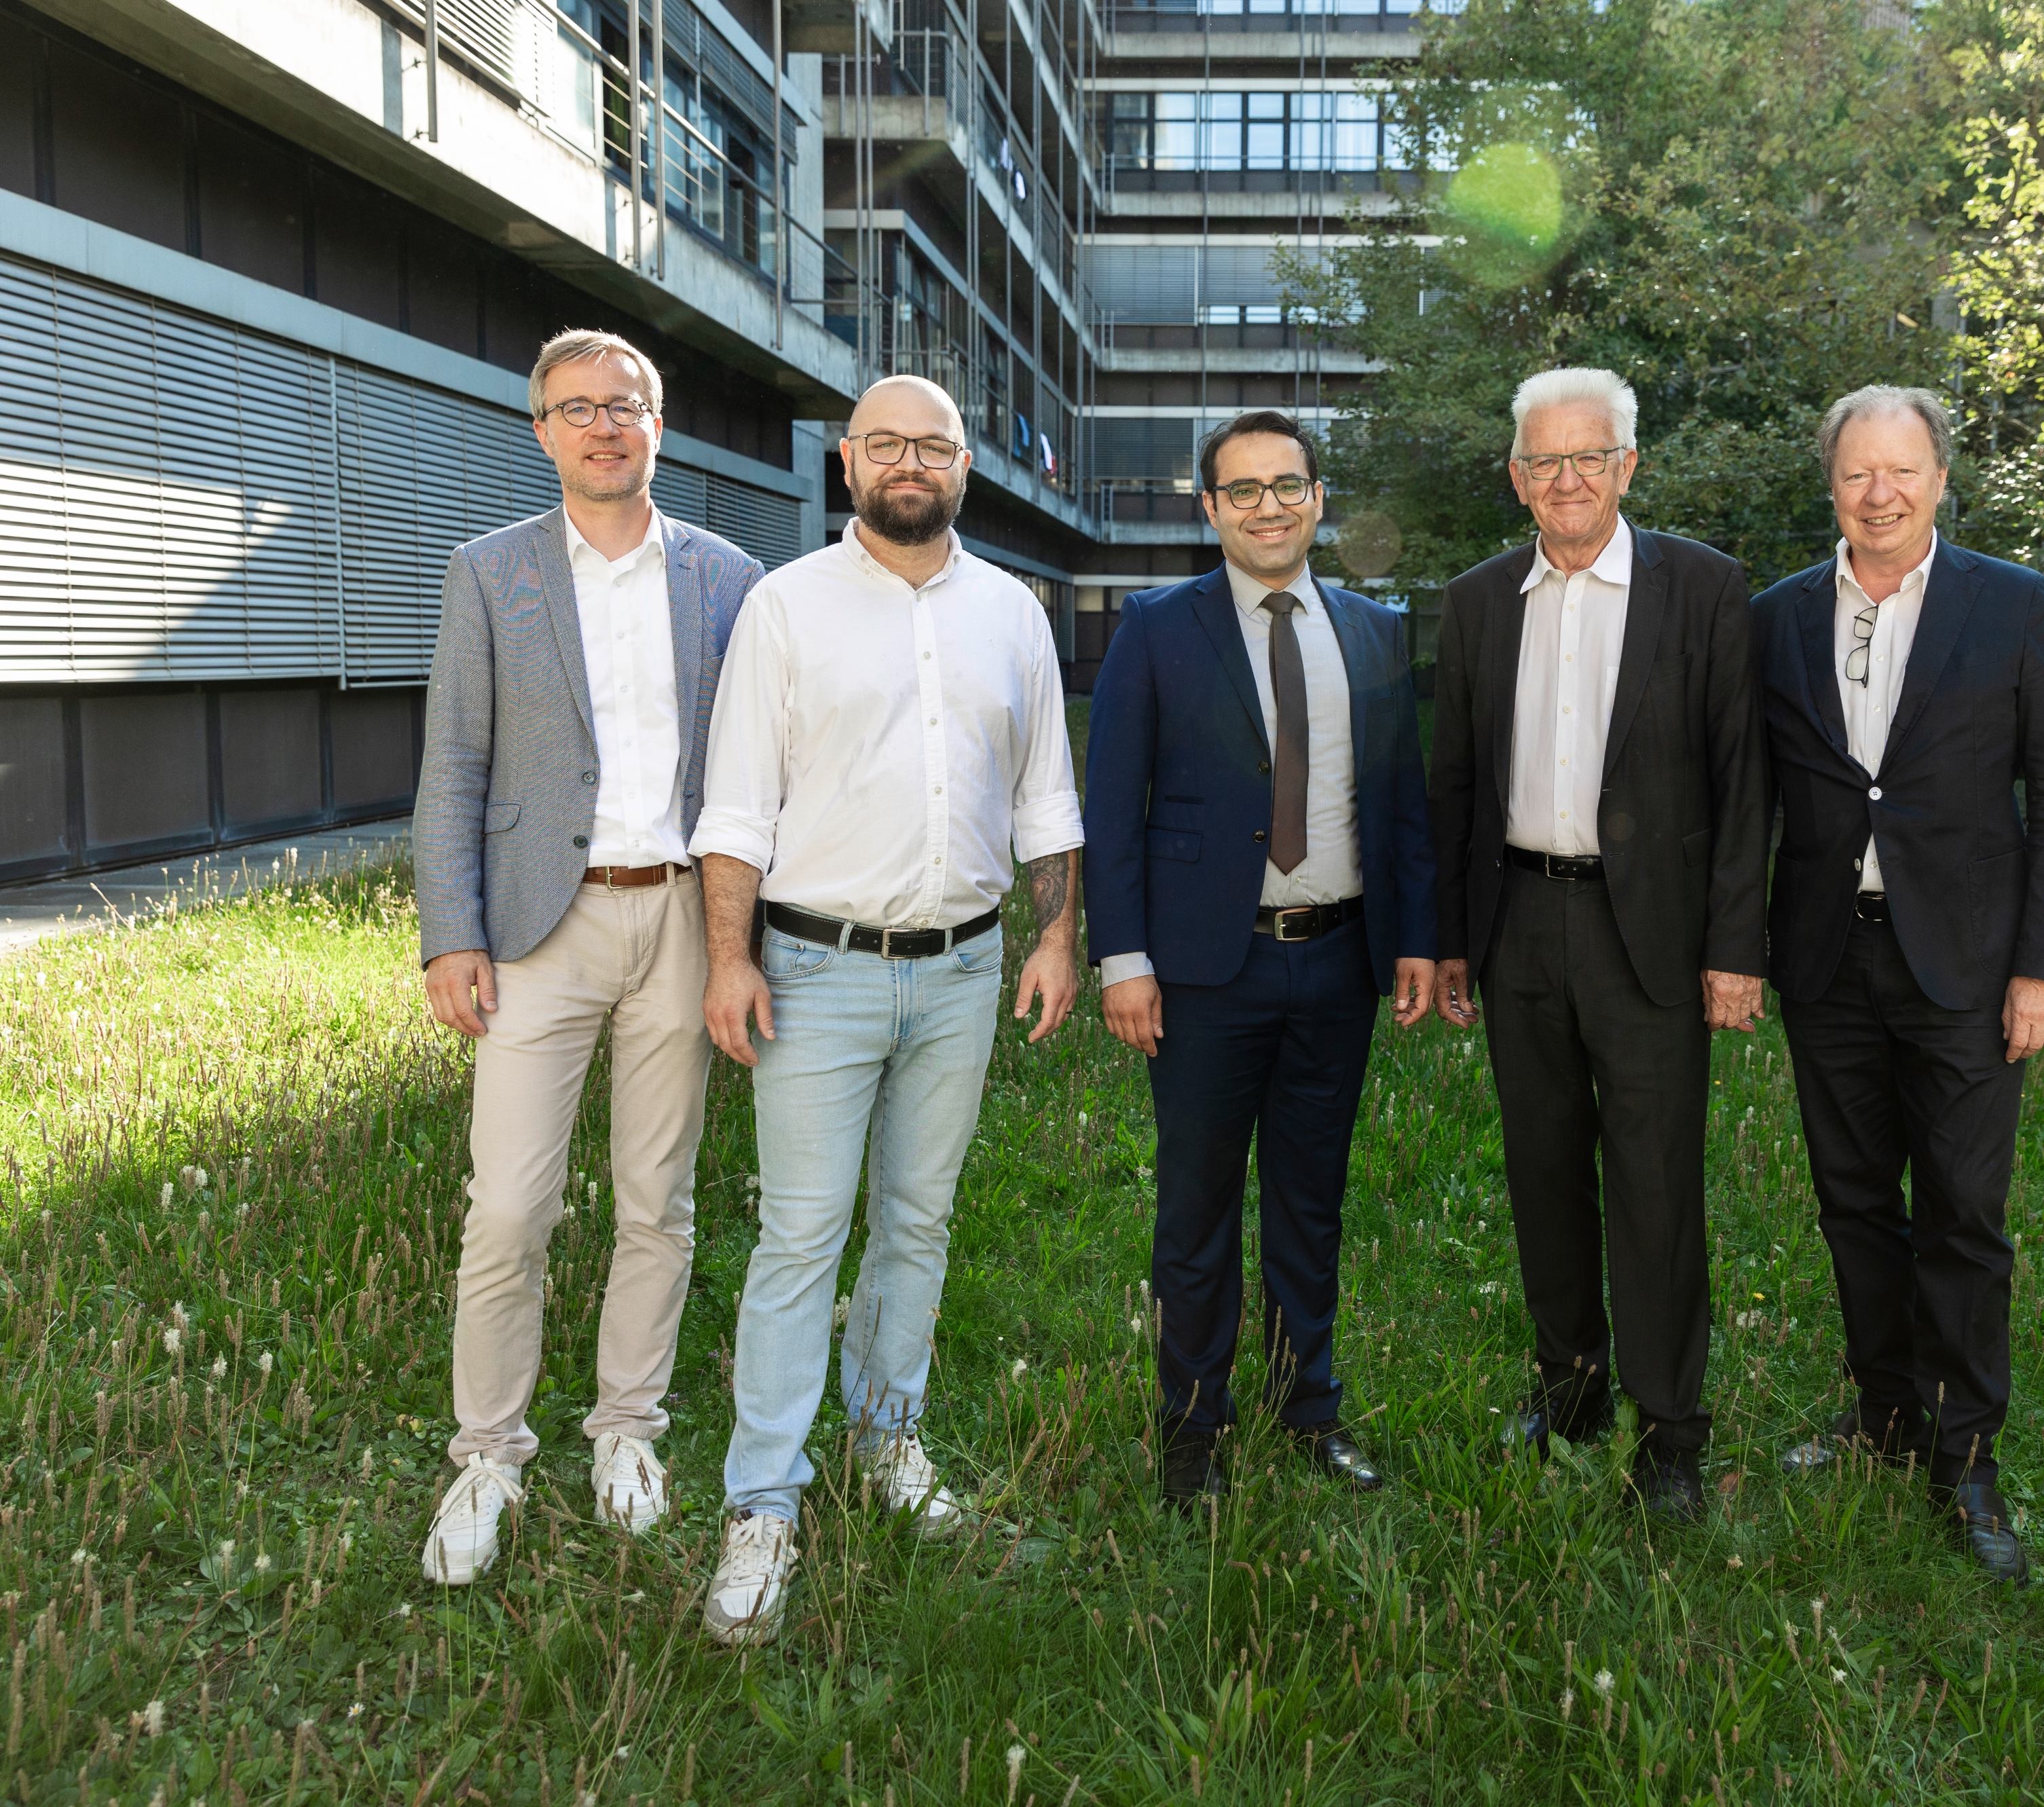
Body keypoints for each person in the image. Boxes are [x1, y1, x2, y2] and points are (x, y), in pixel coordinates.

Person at [687, 374, 1083, 1644]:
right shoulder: (784, 606)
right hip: (813, 969)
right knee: (800, 1239)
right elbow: (737, 805)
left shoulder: (1014, 612)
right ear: (848, 462)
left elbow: (1045, 797)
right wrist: (726, 958)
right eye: (888, 444)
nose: (913, 462)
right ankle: (762, 1501)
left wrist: (1058, 932)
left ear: (966, 465)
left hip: (967, 968)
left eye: (937, 445)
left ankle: (887, 1436)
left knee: (918, 1220)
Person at [412, 329, 764, 1584]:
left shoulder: (730, 578)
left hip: (682, 917)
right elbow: (453, 762)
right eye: (576, 409)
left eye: (625, 405)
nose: (603, 426)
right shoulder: (488, 571)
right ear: (542, 428)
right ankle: (489, 1452)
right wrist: (450, 931)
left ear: (658, 423)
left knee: (655, 1199)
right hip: (534, 923)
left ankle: (627, 1427)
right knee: (509, 1204)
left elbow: (758, 765)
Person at [1753, 385, 2044, 1585]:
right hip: (1824, 957)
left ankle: (1965, 1454)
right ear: (1832, 485)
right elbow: (1757, 794)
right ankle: (1884, 1416)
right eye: (1857, 474)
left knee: (1961, 1210)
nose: (1880, 494)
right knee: (1854, 1203)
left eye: (1903, 470)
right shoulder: (1780, 616)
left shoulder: (2013, 606)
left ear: (1942, 479)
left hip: (1967, 962)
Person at [1429, 367, 1768, 1522]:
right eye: (1544, 461)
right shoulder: (1478, 601)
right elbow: (1454, 787)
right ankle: (1568, 1382)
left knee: (1658, 1182)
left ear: (1629, 466)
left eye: (1590, 458)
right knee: (1542, 1168)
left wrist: (1736, 946)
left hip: (1657, 937)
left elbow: (1742, 779)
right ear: (1517, 479)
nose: (1567, 480)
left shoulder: (1706, 591)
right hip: (1521, 921)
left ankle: (1672, 1425)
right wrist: (1448, 942)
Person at [1082, 411, 1437, 1509]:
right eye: (1243, 490)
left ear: (1320, 498)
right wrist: (1123, 956)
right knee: (1196, 1208)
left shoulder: (1376, 630)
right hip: (1200, 969)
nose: (1269, 506)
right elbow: (1114, 801)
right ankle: (1194, 1429)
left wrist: (1417, 934)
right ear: (1211, 508)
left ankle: (1307, 1408)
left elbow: (1403, 801)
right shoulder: (1157, 625)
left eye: (1289, 484)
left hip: (1335, 960)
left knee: (1310, 1202)